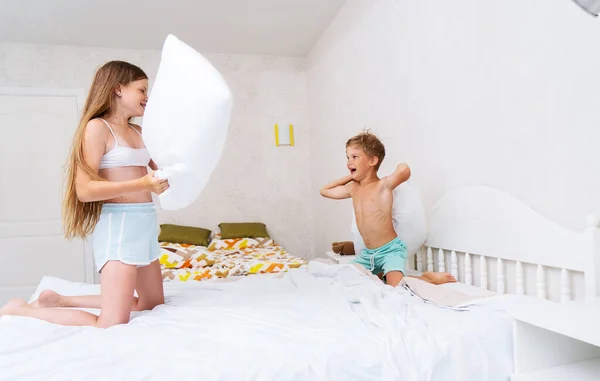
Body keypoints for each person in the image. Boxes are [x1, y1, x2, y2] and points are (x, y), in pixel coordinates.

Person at [0, 61, 169, 327]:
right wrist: (143, 184)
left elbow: (162, 172)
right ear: (118, 89)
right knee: (111, 321)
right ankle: (20, 310)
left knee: (151, 304)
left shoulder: (139, 131)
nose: (147, 98)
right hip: (120, 226)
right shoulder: (97, 128)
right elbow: (85, 191)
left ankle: (63, 300)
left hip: (145, 223)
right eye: (142, 90)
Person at [320, 131, 456, 287]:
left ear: (372, 161)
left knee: (396, 286)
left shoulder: (383, 185)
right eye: (348, 157)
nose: (349, 162)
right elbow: (324, 191)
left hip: (389, 251)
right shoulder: (353, 189)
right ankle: (379, 274)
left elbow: (404, 170)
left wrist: (396, 164)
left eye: (355, 157)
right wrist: (350, 177)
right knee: (345, 278)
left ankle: (426, 278)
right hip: (367, 254)